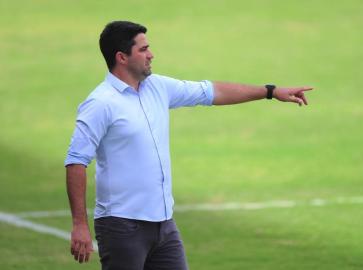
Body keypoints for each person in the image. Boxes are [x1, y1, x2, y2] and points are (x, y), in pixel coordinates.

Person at [65, 20, 313, 270]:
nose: (151, 54)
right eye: (143, 49)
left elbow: (211, 92)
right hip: (122, 226)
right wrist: (79, 224)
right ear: (122, 57)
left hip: (164, 225)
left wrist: (270, 91)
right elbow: (76, 161)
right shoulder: (100, 103)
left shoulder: (157, 87)